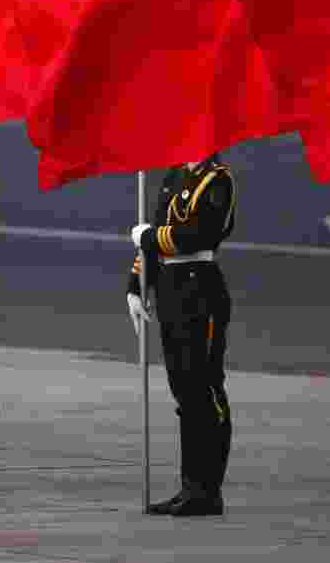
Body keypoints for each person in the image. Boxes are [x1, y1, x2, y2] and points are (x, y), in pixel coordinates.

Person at [128, 153, 236, 516]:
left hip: (200, 290)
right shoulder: (175, 174)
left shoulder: (218, 179)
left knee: (204, 388)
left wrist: (150, 237)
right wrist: (135, 283)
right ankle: (190, 484)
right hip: (170, 289)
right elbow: (157, 232)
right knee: (185, 392)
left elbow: (200, 234)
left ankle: (208, 489)